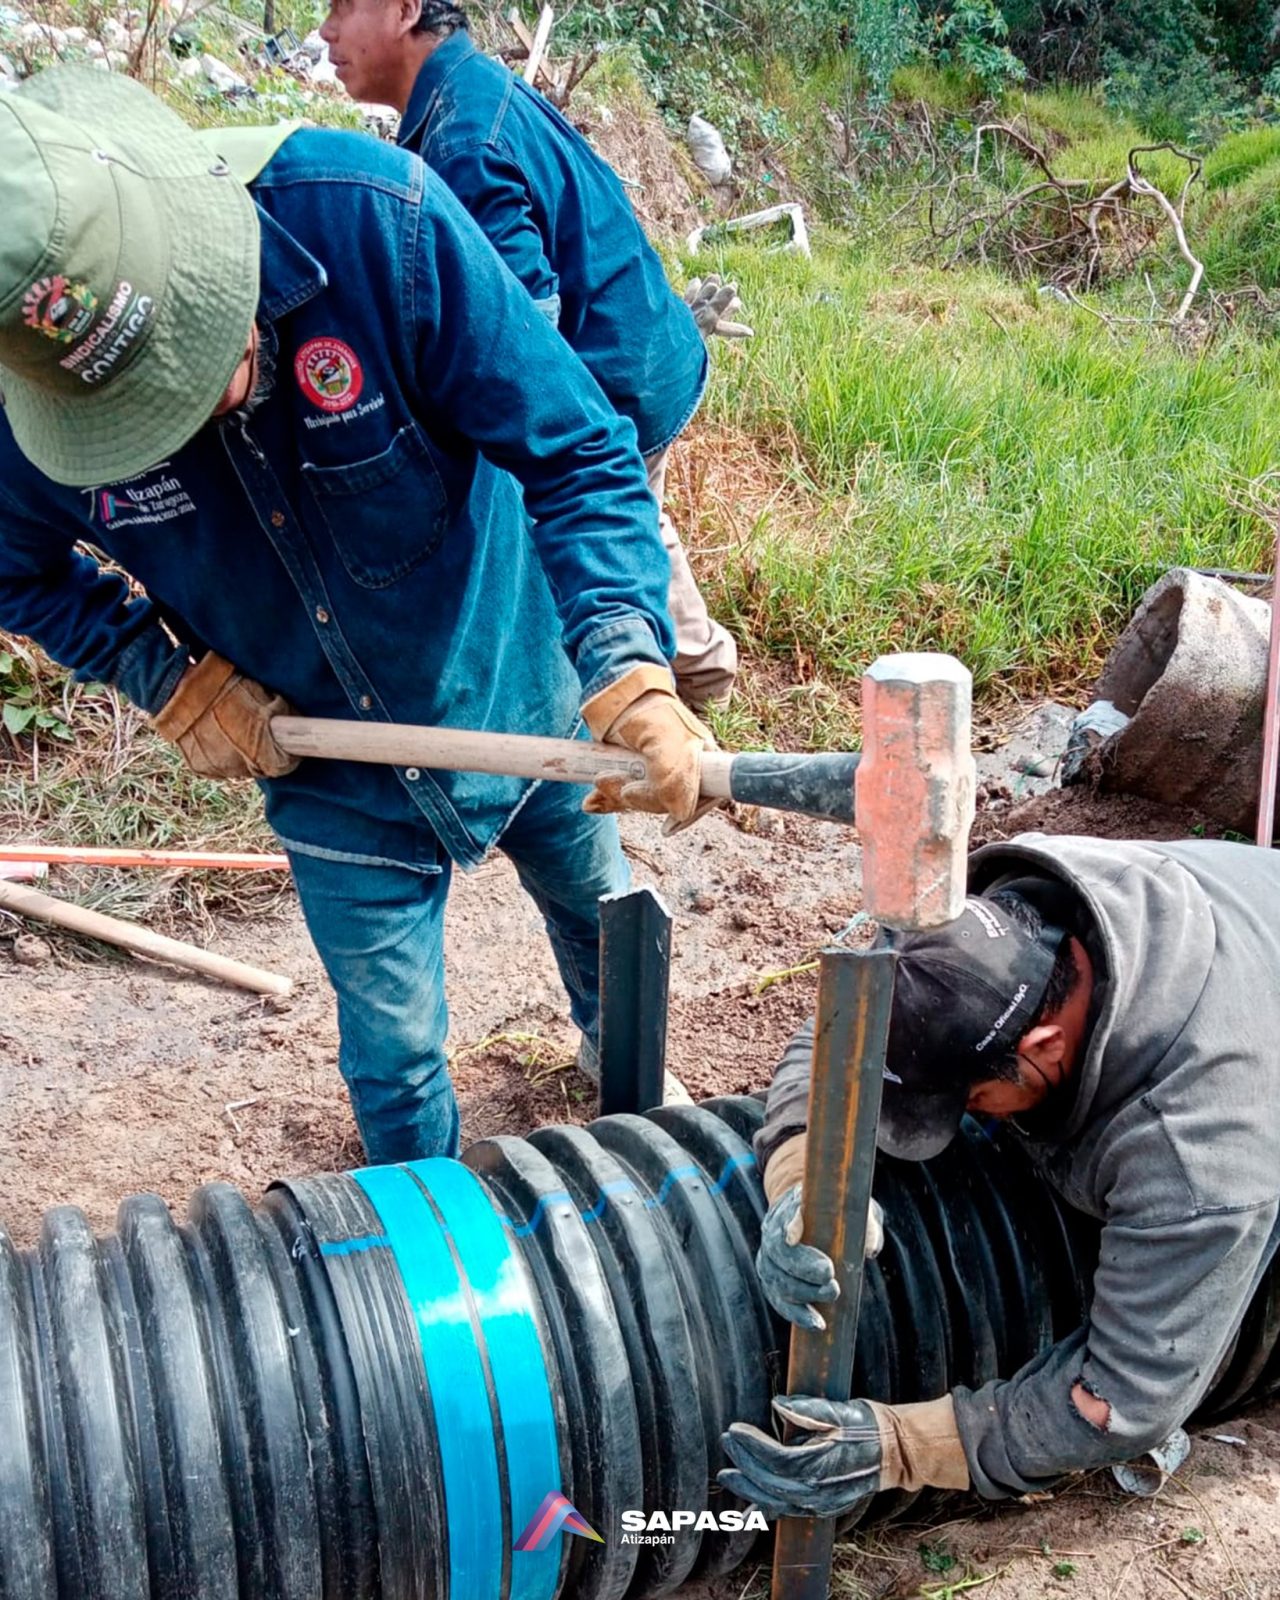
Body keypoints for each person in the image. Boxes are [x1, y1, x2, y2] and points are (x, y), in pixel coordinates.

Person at [0, 66, 713, 1165]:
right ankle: (424, 1243)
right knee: (392, 1058)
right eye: (148, 418)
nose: (209, 407)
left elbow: (573, 446)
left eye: (206, 358)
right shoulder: (17, 400)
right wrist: (166, 678)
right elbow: (17, 571)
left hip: (520, 691)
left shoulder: (380, 225)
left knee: (600, 917)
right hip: (326, 764)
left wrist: (621, 649)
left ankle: (624, 1084)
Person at [720, 833, 1280, 1509]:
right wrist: (803, 1176)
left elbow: (1122, 1403)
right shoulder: (978, 924)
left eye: (971, 1101)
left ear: (1045, 1045)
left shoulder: (1197, 1155)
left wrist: (905, 1446)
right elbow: (849, 1023)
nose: (964, 1115)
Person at [316, 0, 742, 711]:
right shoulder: (468, 94)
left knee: (593, 530)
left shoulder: (463, 139)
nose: (325, 31)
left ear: (404, 10)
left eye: (341, 6)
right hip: (637, 349)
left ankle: (680, 690)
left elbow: (519, 341)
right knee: (627, 520)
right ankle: (697, 677)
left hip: (614, 377)